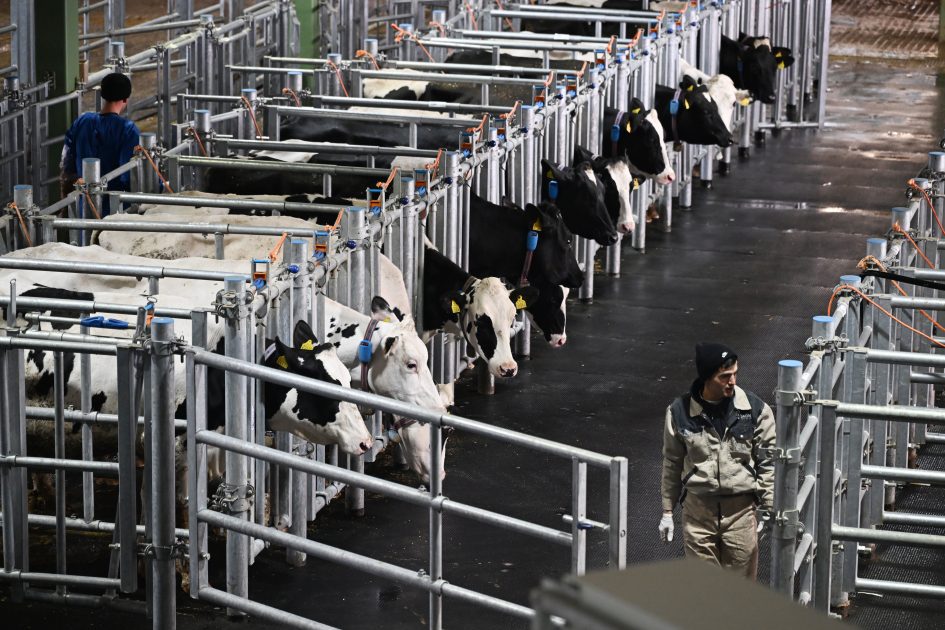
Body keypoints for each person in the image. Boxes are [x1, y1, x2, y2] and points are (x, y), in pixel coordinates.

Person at [658, 342, 776, 580]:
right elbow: (672, 462)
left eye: (734, 374)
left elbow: (768, 463)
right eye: (724, 376)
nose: (732, 381)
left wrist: (768, 505)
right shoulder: (679, 412)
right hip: (698, 515)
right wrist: (667, 511)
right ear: (706, 378)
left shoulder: (755, 410)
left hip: (740, 514)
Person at [60, 72, 139, 217]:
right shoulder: (127, 130)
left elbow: (67, 164)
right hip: (117, 210)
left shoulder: (82, 121)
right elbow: (130, 176)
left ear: (102, 95)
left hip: (85, 206)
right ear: (126, 99)